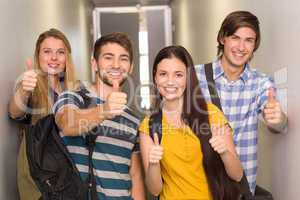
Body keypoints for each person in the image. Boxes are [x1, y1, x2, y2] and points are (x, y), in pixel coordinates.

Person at [195, 10, 288, 193]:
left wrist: (278, 119)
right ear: (222, 38)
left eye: (249, 40)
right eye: (235, 38)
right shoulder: (195, 77)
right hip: (200, 187)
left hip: (240, 190)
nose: (241, 47)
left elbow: (277, 125)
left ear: (255, 45)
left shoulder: (261, 83)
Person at [139, 45, 243, 200]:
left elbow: (237, 175)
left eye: (178, 75)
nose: (170, 82)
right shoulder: (149, 125)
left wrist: (224, 152)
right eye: (163, 74)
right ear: (155, 77)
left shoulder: (211, 114)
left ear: (188, 77)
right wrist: (153, 164)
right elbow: (154, 190)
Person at [53, 32, 145, 200]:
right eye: (108, 57)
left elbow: (135, 177)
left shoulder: (134, 119)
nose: (116, 65)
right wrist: (104, 110)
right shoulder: (72, 97)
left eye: (123, 58)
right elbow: (67, 123)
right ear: (94, 64)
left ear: (131, 67)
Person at [8, 28, 76, 200]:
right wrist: (24, 90)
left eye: (60, 52)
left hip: (69, 180)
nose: (54, 57)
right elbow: (14, 112)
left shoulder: (75, 90)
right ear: (38, 55)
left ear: (67, 57)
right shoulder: (31, 85)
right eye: (47, 52)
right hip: (39, 183)